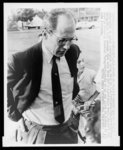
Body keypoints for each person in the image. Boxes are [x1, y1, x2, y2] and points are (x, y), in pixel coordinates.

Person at [7, 8, 81, 145]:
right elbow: (7, 92)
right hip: (38, 133)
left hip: (69, 129)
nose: (67, 46)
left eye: (71, 39)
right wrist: (16, 118)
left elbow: (72, 84)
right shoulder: (21, 60)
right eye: (62, 40)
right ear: (46, 33)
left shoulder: (73, 52)